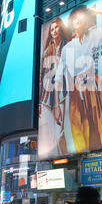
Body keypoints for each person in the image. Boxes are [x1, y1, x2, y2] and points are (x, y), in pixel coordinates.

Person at [54, 6, 102, 155]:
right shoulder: (67, 48)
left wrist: (96, 11)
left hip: (95, 90)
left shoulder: (94, 34)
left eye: (81, 16)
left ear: (86, 22)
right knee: (82, 136)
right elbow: (58, 78)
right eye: (75, 17)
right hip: (75, 95)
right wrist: (57, 106)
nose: (77, 19)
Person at [39, 18, 72, 158]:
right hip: (48, 95)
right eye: (51, 29)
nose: (54, 31)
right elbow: (42, 77)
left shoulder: (68, 46)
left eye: (56, 28)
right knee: (50, 132)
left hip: (65, 91)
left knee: (62, 130)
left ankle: (64, 155)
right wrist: (39, 102)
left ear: (61, 29)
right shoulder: (47, 51)